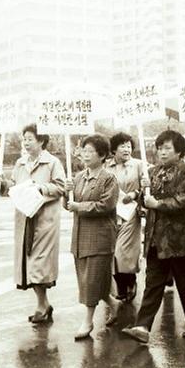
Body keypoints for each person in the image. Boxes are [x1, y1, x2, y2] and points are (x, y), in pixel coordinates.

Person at [122, 130, 185, 345]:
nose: (162, 152)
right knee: (153, 282)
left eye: (167, 148)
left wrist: (158, 204)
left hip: (181, 239)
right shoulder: (152, 172)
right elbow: (146, 196)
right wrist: (136, 195)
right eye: (159, 148)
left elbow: (183, 199)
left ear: (179, 151)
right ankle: (143, 326)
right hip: (156, 237)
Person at [10, 124, 67, 325]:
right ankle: (43, 304)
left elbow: (61, 187)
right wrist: (4, 185)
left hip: (44, 220)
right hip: (25, 219)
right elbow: (13, 188)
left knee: (38, 265)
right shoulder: (19, 163)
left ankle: (42, 306)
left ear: (41, 140)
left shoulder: (52, 163)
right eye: (24, 138)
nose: (25, 142)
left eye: (29, 138)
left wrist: (39, 188)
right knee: (28, 264)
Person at [65, 134, 120, 340]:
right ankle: (114, 303)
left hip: (100, 236)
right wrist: (67, 194)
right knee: (91, 279)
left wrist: (79, 206)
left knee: (91, 279)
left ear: (102, 155)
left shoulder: (108, 179)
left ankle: (88, 321)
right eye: (83, 151)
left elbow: (106, 205)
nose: (85, 155)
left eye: (90, 152)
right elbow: (69, 206)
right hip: (79, 236)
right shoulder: (78, 177)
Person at [106, 132, 150, 302]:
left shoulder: (140, 165)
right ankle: (120, 287)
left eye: (129, 146)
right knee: (112, 252)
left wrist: (134, 194)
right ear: (114, 150)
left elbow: (147, 189)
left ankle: (130, 281)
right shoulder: (107, 168)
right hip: (112, 214)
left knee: (123, 252)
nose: (126, 149)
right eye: (122, 146)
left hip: (131, 213)